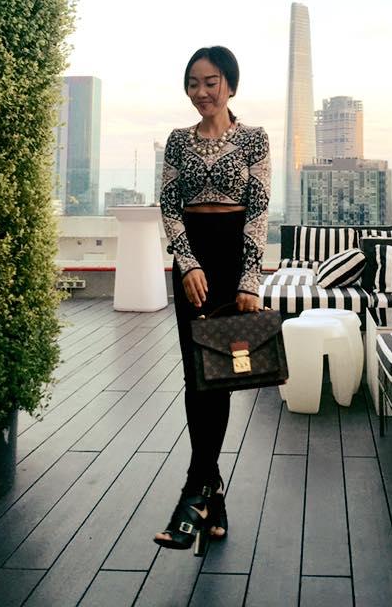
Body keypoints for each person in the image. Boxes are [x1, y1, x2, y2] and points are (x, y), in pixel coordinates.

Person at [154, 45, 271, 555]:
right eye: (193, 83)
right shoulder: (178, 141)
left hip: (232, 261)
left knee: (218, 374)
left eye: (211, 81)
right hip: (193, 266)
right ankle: (209, 495)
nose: (201, 91)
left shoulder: (254, 138)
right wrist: (187, 263)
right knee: (195, 374)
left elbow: (259, 211)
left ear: (230, 85)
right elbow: (169, 205)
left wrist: (249, 279)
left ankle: (196, 491)